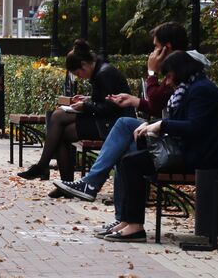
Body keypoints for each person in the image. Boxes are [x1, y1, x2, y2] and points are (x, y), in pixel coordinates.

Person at [52, 22, 190, 204]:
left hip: (174, 142)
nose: (153, 53)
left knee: (125, 145)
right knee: (123, 130)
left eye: (156, 47)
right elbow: (156, 106)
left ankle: (93, 186)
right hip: (165, 132)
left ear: (167, 48)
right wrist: (134, 100)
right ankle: (117, 215)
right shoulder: (179, 69)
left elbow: (157, 103)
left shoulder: (184, 70)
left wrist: (151, 72)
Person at [104, 50, 218, 242]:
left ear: (181, 71)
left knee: (132, 163)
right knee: (127, 161)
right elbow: (181, 122)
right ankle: (128, 221)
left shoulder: (201, 90)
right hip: (190, 150)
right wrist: (151, 125)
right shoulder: (191, 88)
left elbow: (196, 127)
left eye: (170, 76)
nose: (168, 82)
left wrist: (162, 125)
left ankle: (135, 226)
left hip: (199, 156)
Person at [17, 40, 131, 182]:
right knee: (59, 121)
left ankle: (48, 170)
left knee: (60, 125)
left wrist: (86, 106)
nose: (79, 77)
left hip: (112, 124)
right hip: (105, 120)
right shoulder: (101, 71)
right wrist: (88, 99)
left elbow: (110, 107)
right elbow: (105, 99)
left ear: (84, 64)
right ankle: (52, 173)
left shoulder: (104, 74)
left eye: (78, 73)